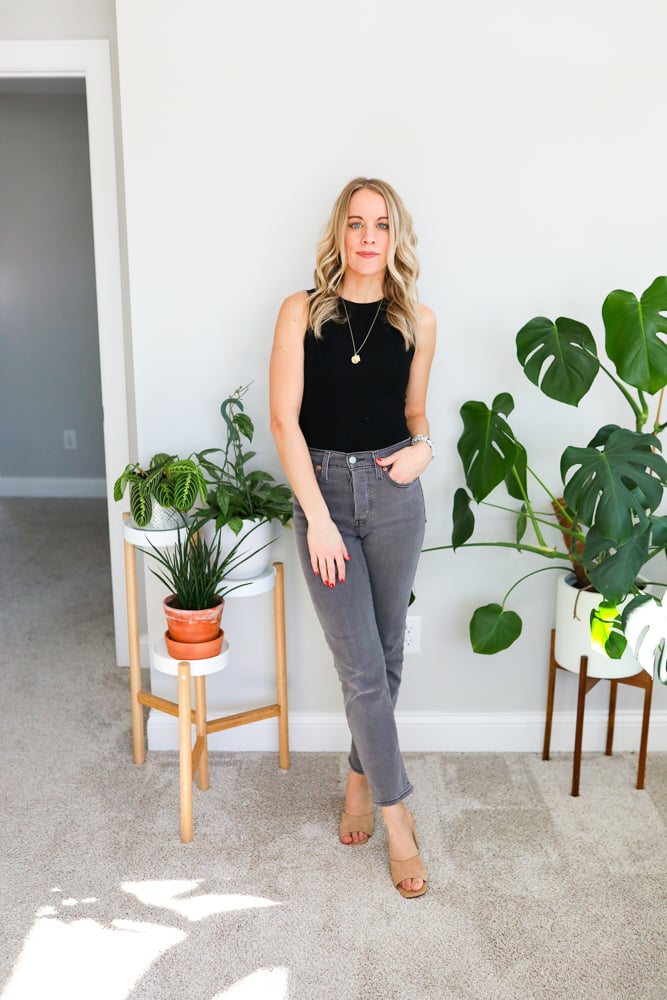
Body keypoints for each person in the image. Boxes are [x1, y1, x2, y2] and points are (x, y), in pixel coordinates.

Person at [269, 177, 436, 898]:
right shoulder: (300, 312)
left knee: (387, 656)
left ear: (394, 238)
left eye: (381, 225)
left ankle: (358, 787)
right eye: (356, 223)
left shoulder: (417, 322)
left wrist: (426, 447)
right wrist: (319, 519)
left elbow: (415, 410)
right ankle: (399, 821)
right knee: (361, 669)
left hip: (397, 493)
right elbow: (284, 423)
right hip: (326, 491)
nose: (368, 237)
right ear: (338, 235)